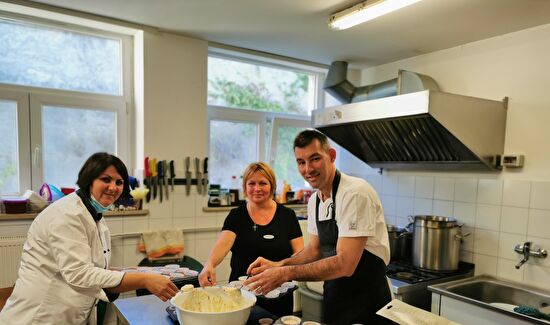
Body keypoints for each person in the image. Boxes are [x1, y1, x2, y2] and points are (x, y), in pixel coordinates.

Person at [0, 153, 178, 325]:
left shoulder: (94, 214)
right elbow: (79, 273)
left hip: (68, 314)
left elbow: (91, 265)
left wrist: (136, 273)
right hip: (40, 316)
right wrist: (143, 280)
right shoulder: (66, 215)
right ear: (89, 180)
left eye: (119, 182)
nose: (113, 187)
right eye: (106, 179)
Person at [245, 129, 392, 325]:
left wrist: (286, 273)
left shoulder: (355, 193)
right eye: (301, 162)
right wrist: (279, 265)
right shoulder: (315, 200)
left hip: (367, 304)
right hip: (335, 299)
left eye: (315, 159)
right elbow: (315, 250)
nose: (308, 169)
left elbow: (345, 264)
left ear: (331, 156)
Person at [198, 162, 304, 317]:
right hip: (241, 294)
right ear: (245, 186)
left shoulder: (287, 216)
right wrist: (209, 264)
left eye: (263, 183)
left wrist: (284, 269)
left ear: (272, 186)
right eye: (251, 183)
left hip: (278, 293)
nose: (257, 188)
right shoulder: (236, 216)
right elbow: (223, 244)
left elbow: (300, 254)